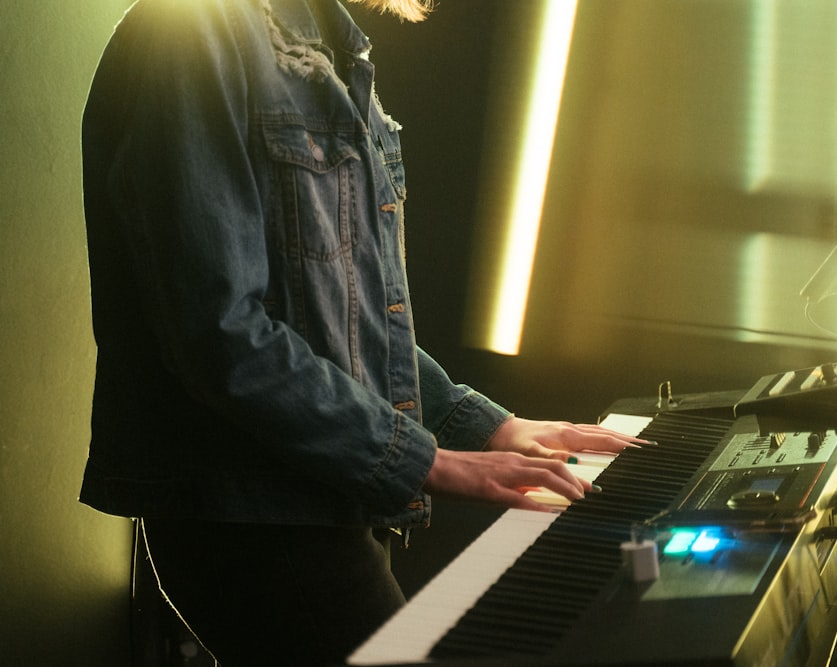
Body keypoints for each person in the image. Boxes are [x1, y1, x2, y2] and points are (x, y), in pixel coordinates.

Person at [80, 0, 640, 664]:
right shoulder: (191, 33)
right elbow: (220, 334)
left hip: (320, 499)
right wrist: (426, 460)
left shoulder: (333, 41)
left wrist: (481, 425)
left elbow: (337, 321)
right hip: (252, 522)